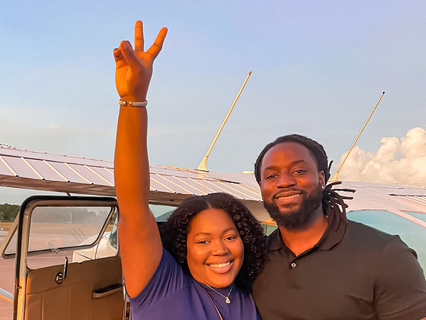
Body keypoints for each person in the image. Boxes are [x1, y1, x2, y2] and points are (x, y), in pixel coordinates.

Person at [113, 20, 267, 320]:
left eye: (230, 237)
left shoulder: (248, 299)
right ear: (184, 248)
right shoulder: (162, 287)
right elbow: (133, 206)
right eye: (203, 241)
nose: (220, 249)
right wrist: (133, 102)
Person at [252, 134, 426, 320]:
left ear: (321, 179)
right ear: (262, 187)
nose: (284, 182)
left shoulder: (385, 254)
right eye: (271, 176)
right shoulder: (252, 260)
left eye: (299, 171)